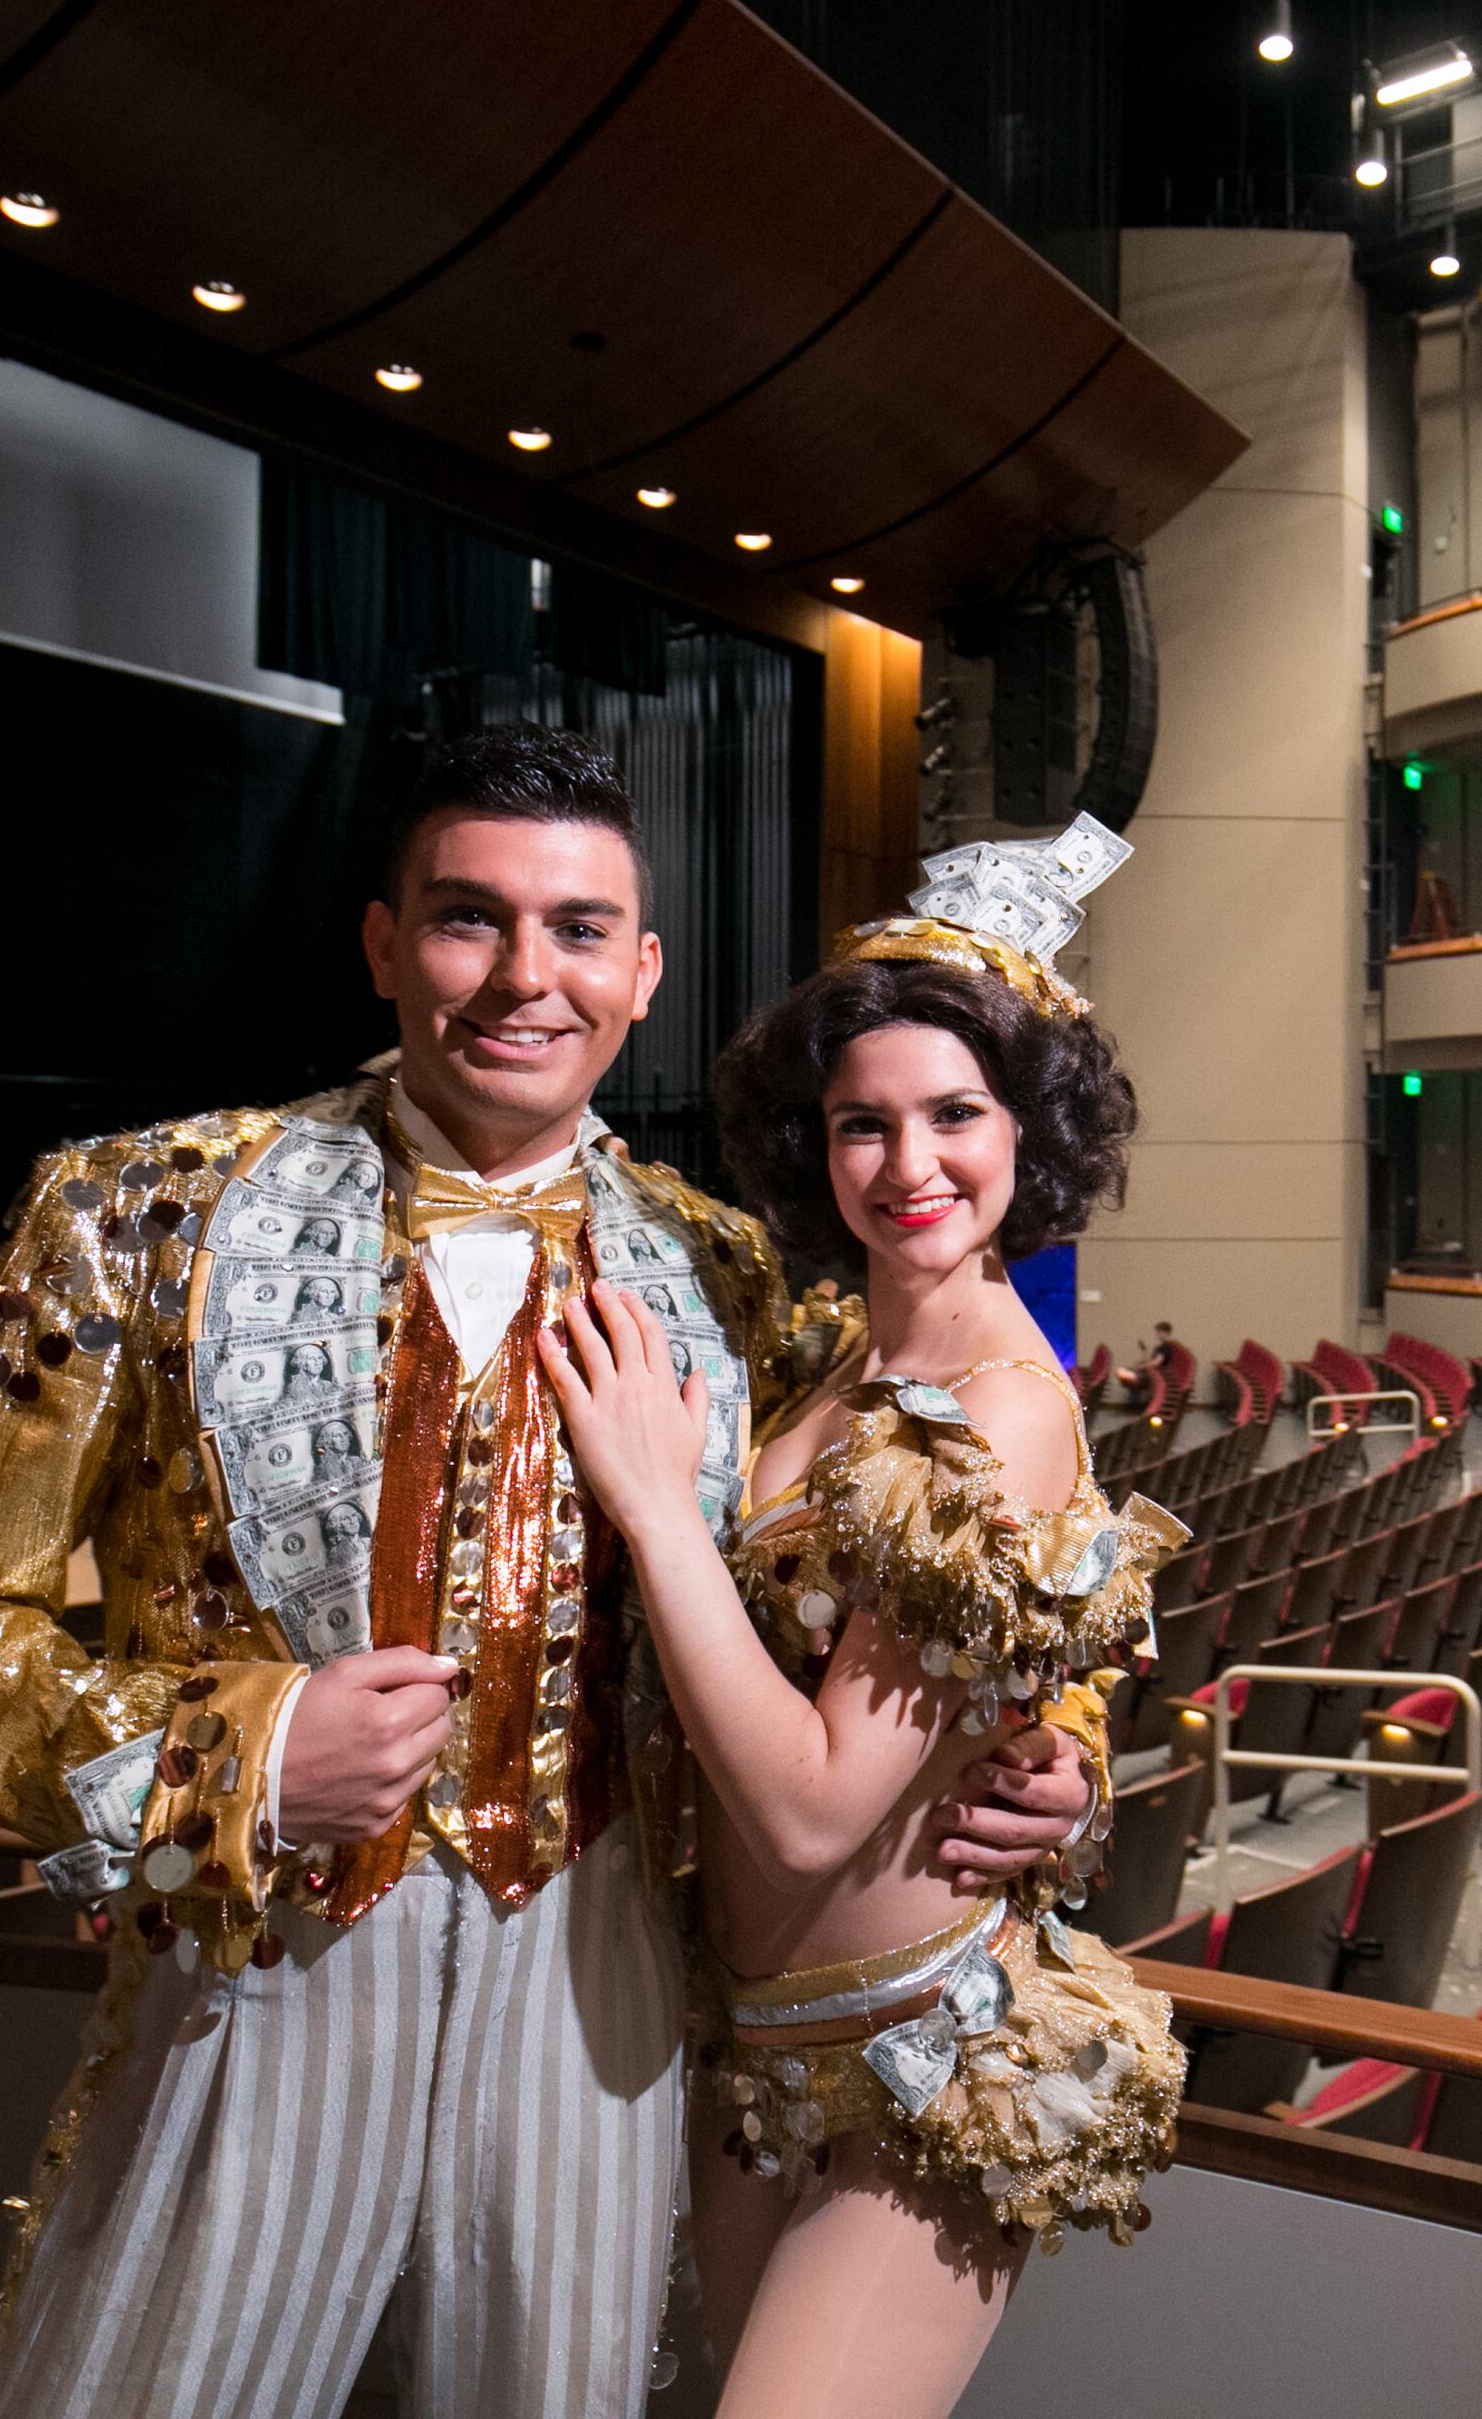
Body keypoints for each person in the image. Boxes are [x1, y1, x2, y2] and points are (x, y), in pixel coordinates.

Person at [0, 730, 1104, 2419]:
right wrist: (233, 1756)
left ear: (641, 974)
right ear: (380, 943)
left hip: (609, 1986)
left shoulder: (729, 1273)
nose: (521, 978)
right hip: (260, 1970)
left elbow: (898, 1568)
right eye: (467, 919)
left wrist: (1049, 1752)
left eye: (576, 931)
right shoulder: (138, 1214)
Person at [545, 873, 1185, 2419]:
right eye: (862, 1124)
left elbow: (818, 1803)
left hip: (926, 2058)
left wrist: (656, 1507)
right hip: (750, 2050)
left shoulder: (1003, 1410)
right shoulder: (826, 1364)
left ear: (1031, 1130)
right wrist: (1066, 1751)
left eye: (954, 1113)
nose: (910, 1164)